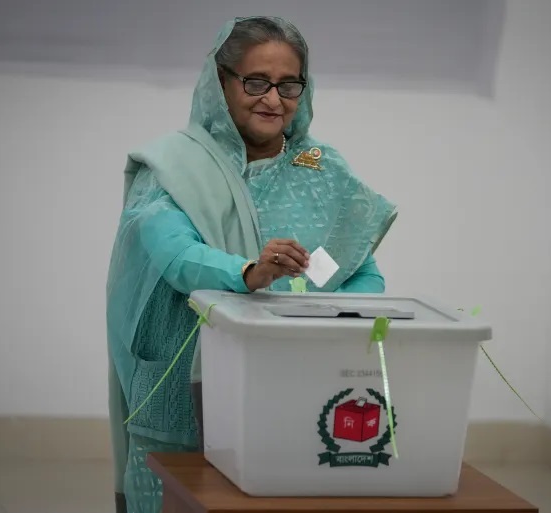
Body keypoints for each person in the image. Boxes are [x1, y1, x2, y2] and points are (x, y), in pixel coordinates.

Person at [105, 16, 397, 513]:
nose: (274, 99)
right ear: (220, 83)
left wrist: (323, 318)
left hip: (295, 378)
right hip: (180, 379)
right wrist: (249, 274)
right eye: (256, 82)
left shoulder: (322, 169)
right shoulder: (175, 166)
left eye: (289, 84)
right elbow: (177, 255)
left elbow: (359, 271)